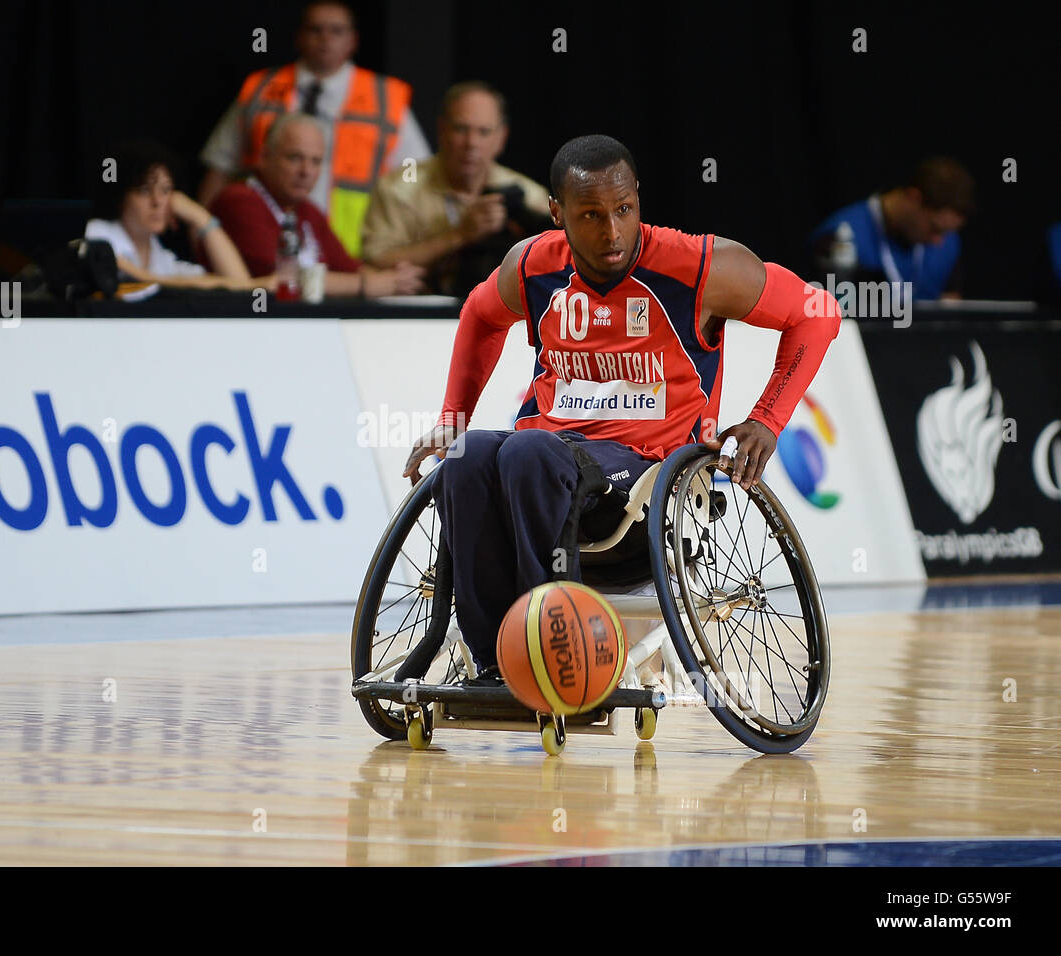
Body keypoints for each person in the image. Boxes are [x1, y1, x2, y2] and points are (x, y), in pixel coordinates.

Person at [401, 135, 842, 676]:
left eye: (624, 210)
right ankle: (495, 659)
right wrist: (453, 420)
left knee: (528, 454)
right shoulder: (533, 265)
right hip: (548, 455)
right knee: (467, 458)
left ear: (638, 200)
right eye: (590, 215)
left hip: (646, 482)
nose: (611, 231)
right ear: (557, 213)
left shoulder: (699, 266)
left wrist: (767, 419)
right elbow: (479, 314)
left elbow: (818, 311)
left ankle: (549, 650)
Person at [196, 0, 430, 257]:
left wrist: (401, 243)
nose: (325, 39)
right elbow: (220, 166)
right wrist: (202, 234)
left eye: (336, 30)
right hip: (262, 248)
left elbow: (414, 176)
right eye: (315, 29)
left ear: (353, 41)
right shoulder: (261, 90)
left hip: (350, 253)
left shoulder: (385, 99)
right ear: (298, 37)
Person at [362, 82, 551, 295]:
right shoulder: (398, 190)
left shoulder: (530, 195)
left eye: (484, 132)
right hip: (414, 317)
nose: (471, 143)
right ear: (441, 130)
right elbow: (375, 262)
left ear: (501, 138)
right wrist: (460, 235)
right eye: (461, 129)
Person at [210, 114, 423, 298]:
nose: (306, 171)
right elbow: (284, 277)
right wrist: (369, 284)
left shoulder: (307, 210)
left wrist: (395, 278)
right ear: (265, 157)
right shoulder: (239, 200)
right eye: (295, 158)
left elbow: (349, 269)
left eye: (316, 161)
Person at [85, 140, 260, 296]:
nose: (157, 201)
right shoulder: (100, 232)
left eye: (165, 190)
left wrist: (201, 218)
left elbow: (240, 286)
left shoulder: (160, 257)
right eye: (144, 190)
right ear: (120, 197)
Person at [809, 156, 974, 301]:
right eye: (934, 228)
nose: (938, 241)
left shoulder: (948, 242)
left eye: (946, 232)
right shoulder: (839, 239)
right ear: (913, 198)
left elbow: (951, 314)